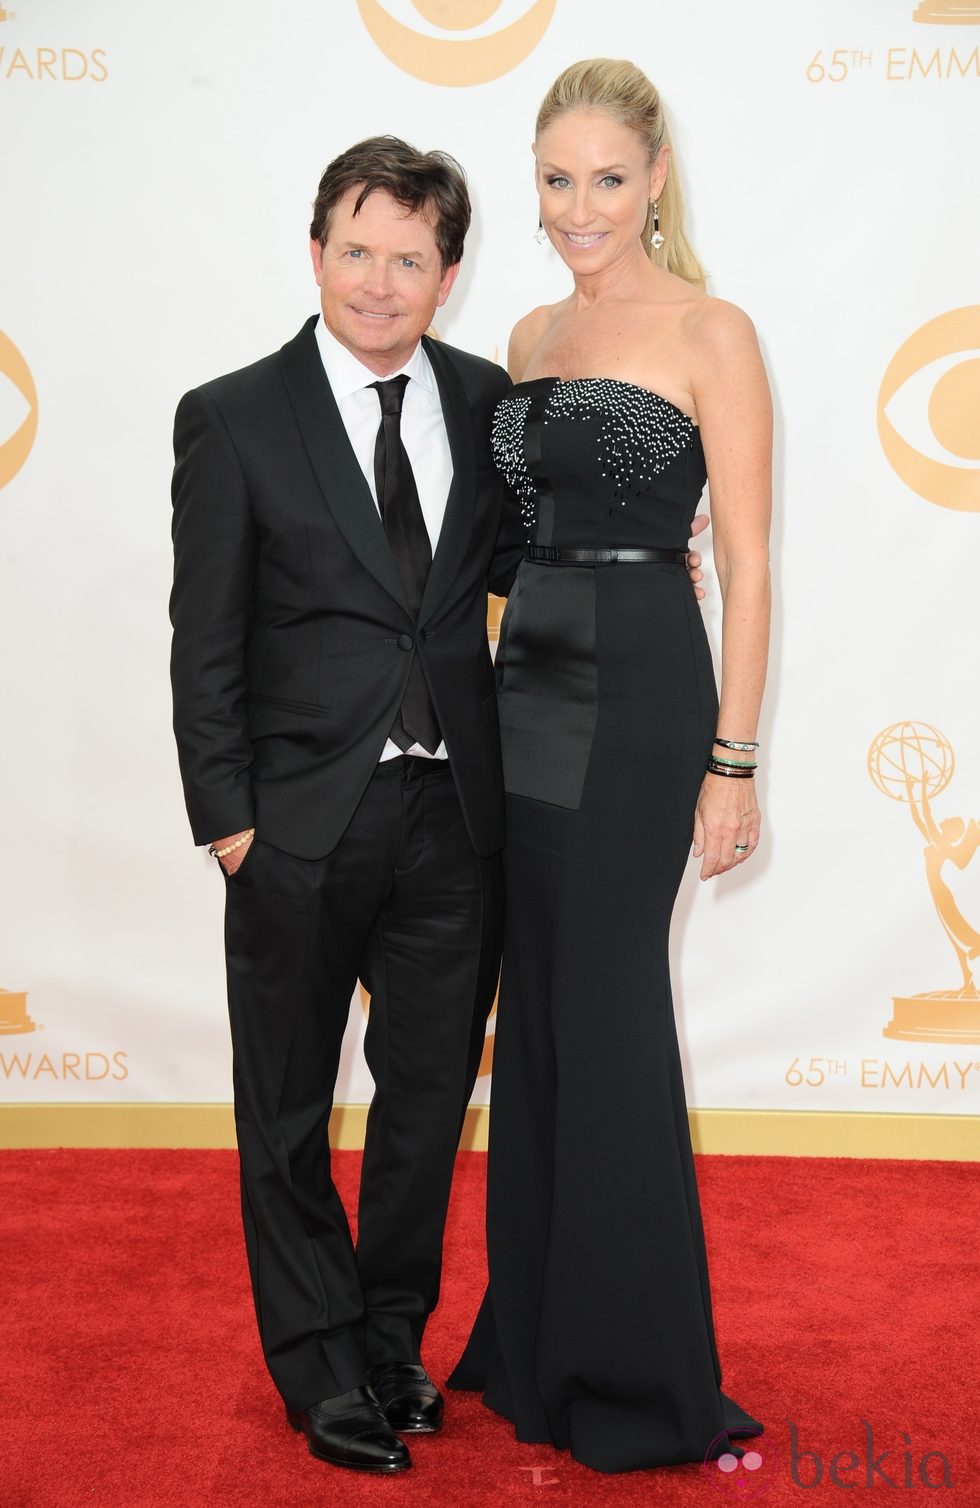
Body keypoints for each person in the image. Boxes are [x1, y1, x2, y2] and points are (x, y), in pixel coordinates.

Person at [169, 129, 714, 1478]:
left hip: (460, 822)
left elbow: (551, 555)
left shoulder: (489, 405)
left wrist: (657, 540)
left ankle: (393, 1338)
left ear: (449, 274)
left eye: (409, 258)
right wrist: (229, 820)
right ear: (316, 253)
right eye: (355, 250)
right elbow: (205, 640)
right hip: (294, 825)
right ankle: (317, 1365)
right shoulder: (232, 414)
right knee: (288, 1109)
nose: (378, 281)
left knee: (422, 1107)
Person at [448, 59, 772, 1475]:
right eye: (559, 177)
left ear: (655, 183)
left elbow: (750, 567)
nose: (582, 205)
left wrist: (733, 761)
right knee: (539, 1011)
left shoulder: (711, 329)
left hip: (644, 681)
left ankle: (638, 1372)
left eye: (608, 178)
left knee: (612, 1003)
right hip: (531, 685)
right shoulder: (525, 333)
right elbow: (516, 544)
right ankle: (537, 1336)